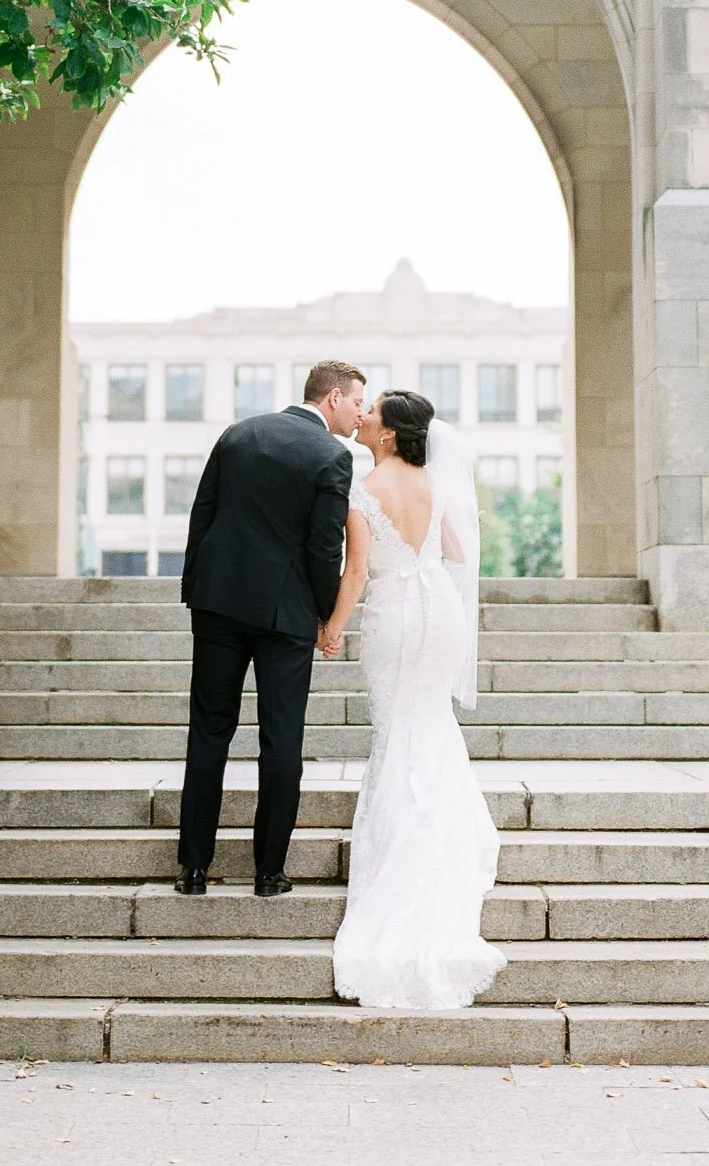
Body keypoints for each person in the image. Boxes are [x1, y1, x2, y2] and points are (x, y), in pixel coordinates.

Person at [321, 389, 506, 1008]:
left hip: (396, 614)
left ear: (391, 434)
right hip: (442, 613)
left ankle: (404, 847)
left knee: (397, 726)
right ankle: (443, 827)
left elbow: (355, 570)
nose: (364, 416)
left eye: (372, 413)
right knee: (428, 721)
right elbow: (458, 551)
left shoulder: (362, 487)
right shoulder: (435, 480)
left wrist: (334, 627)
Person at [175, 360, 365, 897]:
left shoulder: (239, 434)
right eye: (355, 402)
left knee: (208, 731)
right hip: (285, 616)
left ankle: (193, 869)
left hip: (218, 604)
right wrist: (326, 615)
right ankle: (268, 872)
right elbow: (325, 547)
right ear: (331, 398)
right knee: (282, 739)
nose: (359, 414)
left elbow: (203, 513)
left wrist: (196, 586)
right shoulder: (331, 454)